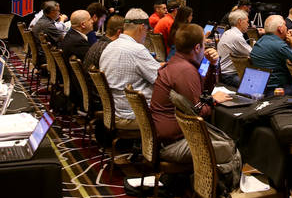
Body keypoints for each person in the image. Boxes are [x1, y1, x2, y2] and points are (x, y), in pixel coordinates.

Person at [150, 24, 230, 162]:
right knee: (228, 148)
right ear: (197, 48)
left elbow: (202, 88)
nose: (206, 49)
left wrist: (213, 64)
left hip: (165, 138)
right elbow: (198, 112)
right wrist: (213, 100)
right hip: (172, 144)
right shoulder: (185, 71)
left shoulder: (177, 63)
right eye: (204, 45)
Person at [99, 9, 159, 130]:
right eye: (147, 30)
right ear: (142, 27)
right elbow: (162, 80)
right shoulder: (137, 50)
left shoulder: (110, 46)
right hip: (132, 116)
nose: (146, 34)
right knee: (177, 115)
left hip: (114, 112)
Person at [248, 14, 292, 94]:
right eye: (285, 25)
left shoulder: (260, 42)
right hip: (275, 90)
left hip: (259, 88)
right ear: (280, 29)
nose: (287, 28)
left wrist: (289, 40)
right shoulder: (279, 46)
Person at [217, 9, 251, 88]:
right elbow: (253, 54)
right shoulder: (236, 36)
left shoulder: (228, 32)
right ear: (240, 21)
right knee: (253, 86)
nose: (248, 25)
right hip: (229, 76)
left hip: (223, 73)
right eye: (247, 21)